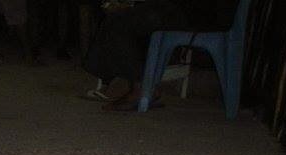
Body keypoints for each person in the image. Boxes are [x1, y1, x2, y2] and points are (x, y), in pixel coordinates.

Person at [83, 0, 239, 111]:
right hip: (189, 9)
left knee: (121, 21)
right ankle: (120, 78)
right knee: (122, 15)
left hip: (202, 12)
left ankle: (135, 85)